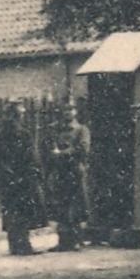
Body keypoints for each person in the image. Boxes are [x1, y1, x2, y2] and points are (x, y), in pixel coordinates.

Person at [0, 101, 46, 257]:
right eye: (19, 115)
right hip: (23, 178)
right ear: (16, 117)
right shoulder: (24, 135)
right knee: (22, 211)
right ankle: (23, 245)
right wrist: (36, 173)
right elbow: (32, 157)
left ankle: (15, 245)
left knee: (13, 211)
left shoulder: (0, 135)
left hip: (10, 179)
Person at [47, 103, 93, 252]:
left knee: (76, 206)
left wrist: (62, 154)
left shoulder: (81, 130)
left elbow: (83, 148)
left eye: (70, 109)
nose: (67, 113)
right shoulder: (58, 130)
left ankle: (76, 240)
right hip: (61, 172)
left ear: (75, 112)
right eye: (65, 110)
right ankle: (63, 241)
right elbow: (51, 148)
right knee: (61, 206)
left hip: (75, 171)